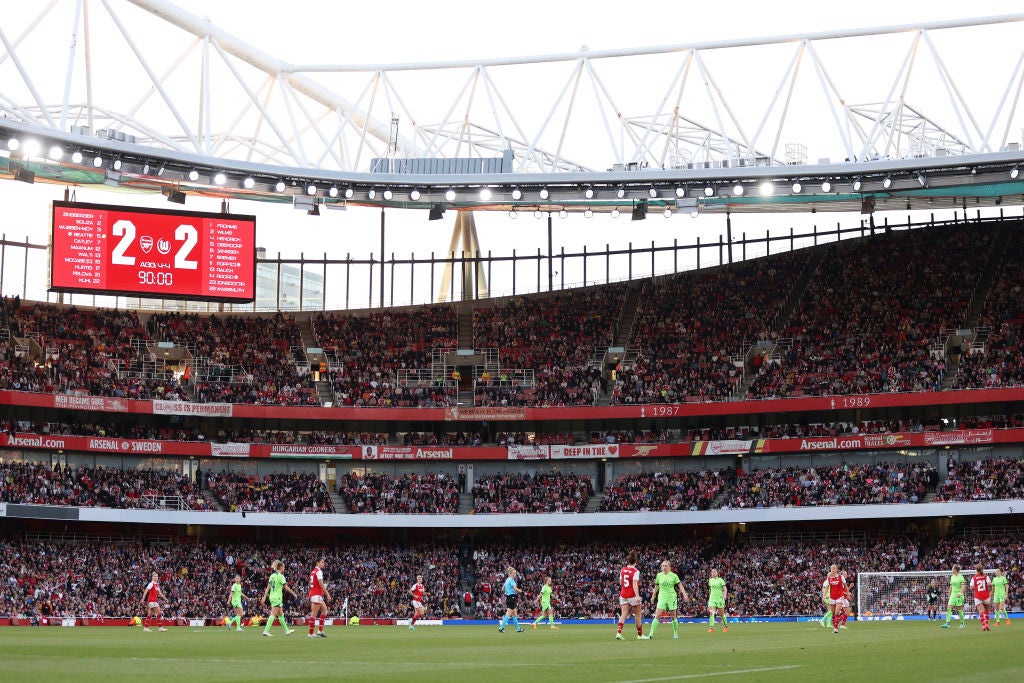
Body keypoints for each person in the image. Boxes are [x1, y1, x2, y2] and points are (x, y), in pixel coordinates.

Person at [639, 560, 688, 640]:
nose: (664, 567)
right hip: (662, 597)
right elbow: (656, 587)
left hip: (671, 597)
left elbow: (680, 586)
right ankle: (650, 634)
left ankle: (675, 633)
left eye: (665, 566)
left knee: (673, 616)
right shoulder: (659, 575)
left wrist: (684, 594)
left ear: (669, 567)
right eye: (662, 566)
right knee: (657, 615)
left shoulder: (674, 576)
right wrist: (653, 596)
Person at [261, 559, 297, 637]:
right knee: (273, 614)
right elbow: (286, 587)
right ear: (280, 567)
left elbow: (268, 588)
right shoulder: (281, 576)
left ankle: (287, 631)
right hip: (277, 597)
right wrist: (294, 593)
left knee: (281, 614)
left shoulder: (272, 576)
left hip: (272, 597)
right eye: (283, 567)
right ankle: (266, 631)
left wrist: (264, 597)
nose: (284, 568)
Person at [616, 551, 643, 640]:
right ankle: (640, 635)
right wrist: (637, 596)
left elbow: (621, 582)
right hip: (632, 595)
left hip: (623, 595)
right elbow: (635, 584)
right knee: (638, 614)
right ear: (636, 561)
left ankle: (618, 633)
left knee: (623, 614)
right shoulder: (635, 571)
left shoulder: (623, 570)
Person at [308, 557, 331, 638]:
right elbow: (321, 584)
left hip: (316, 594)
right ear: (317, 563)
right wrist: (327, 594)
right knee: (314, 614)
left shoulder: (313, 571)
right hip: (316, 594)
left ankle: (320, 631)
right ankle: (310, 633)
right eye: (322, 562)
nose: (323, 564)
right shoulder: (318, 571)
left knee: (325, 611)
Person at [498, 567, 524, 633]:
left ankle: (518, 629)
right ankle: (501, 628)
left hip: (509, 598)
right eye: (513, 573)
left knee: (514, 614)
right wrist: (521, 591)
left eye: (515, 573)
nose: (515, 574)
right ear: (510, 573)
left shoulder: (507, 580)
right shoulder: (512, 580)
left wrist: (507, 591)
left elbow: (502, 589)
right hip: (512, 598)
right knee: (508, 614)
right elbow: (515, 588)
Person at [941, 564, 966, 629]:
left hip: (958, 595)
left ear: (955, 570)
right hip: (953, 595)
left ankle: (962, 624)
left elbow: (963, 586)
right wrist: (949, 594)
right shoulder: (952, 577)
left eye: (952, 569)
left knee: (959, 610)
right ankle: (947, 623)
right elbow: (951, 587)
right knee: (949, 608)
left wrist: (960, 593)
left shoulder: (961, 577)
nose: (951, 570)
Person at [970, 564, 993, 632]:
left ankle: (983, 625)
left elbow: (971, 587)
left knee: (981, 611)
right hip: (986, 595)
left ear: (976, 570)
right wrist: (990, 589)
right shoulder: (986, 576)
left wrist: (976, 587)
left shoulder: (974, 578)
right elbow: (989, 584)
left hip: (978, 596)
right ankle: (987, 624)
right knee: (987, 611)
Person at [824, 564, 846, 634]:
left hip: (839, 596)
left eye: (834, 568)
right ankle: (835, 627)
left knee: (837, 612)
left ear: (837, 569)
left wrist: (847, 593)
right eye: (831, 568)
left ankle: (836, 627)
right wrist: (824, 595)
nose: (832, 570)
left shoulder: (841, 577)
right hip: (831, 597)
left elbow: (845, 586)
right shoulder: (828, 579)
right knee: (833, 613)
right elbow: (825, 587)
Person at [707, 568, 729, 633]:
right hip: (712, 598)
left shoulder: (721, 580)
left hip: (719, 598)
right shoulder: (710, 580)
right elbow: (710, 589)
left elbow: (725, 589)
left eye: (714, 572)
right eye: (712, 572)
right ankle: (711, 628)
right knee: (712, 612)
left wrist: (724, 595)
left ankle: (726, 626)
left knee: (721, 614)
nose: (713, 573)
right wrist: (709, 597)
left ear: (717, 573)